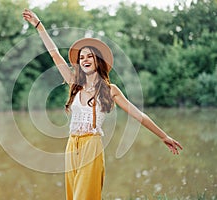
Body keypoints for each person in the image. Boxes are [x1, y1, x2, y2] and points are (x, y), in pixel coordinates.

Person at [22, 9, 183, 200]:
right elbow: (55, 55)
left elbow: (138, 115)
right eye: (81, 58)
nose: (85, 60)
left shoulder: (110, 89)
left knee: (85, 196)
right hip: (72, 145)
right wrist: (39, 25)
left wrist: (163, 136)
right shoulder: (74, 83)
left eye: (89, 56)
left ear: (98, 61)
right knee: (73, 195)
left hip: (92, 144)